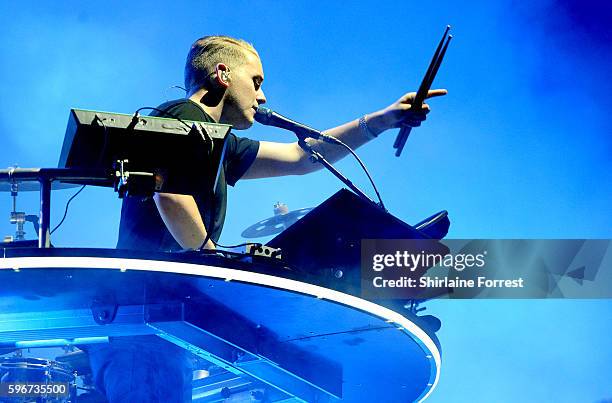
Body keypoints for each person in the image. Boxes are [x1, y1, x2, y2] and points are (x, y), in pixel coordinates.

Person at [91, 35, 447, 402]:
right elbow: (170, 193)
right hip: (145, 321)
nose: (262, 97)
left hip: (155, 325)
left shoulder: (218, 142)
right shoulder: (182, 117)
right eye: (256, 82)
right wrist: (211, 259)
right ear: (222, 74)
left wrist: (384, 119)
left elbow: (300, 158)